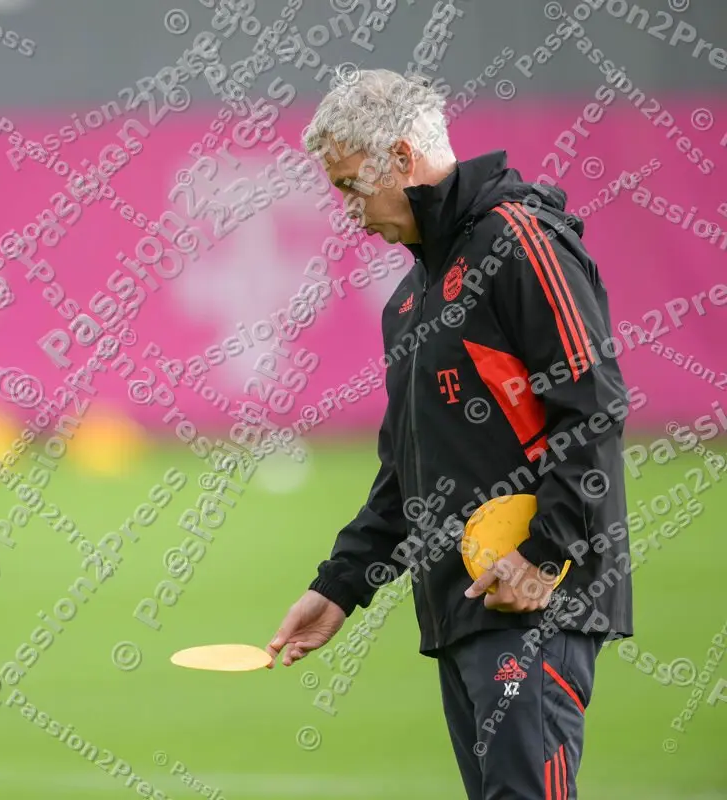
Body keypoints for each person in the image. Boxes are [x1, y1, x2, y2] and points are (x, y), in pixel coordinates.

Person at [264, 68, 633, 800]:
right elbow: (407, 475)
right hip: (464, 607)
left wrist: (543, 554)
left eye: (348, 186)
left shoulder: (521, 239)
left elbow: (592, 407)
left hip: (535, 596)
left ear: (402, 158)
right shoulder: (408, 301)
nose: (348, 211)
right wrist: (339, 587)